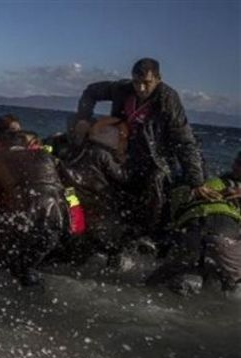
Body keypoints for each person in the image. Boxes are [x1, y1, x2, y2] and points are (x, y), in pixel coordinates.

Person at [74, 58, 210, 238]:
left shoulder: (168, 99)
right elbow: (91, 91)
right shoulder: (122, 88)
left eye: (147, 83)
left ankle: (148, 236)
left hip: (155, 156)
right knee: (92, 156)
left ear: (158, 79)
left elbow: (184, 140)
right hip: (123, 145)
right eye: (137, 82)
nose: (141, 88)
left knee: (156, 181)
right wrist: (83, 117)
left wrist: (196, 181)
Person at [0, 131, 69, 287]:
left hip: (23, 214)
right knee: (27, 267)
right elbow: (70, 189)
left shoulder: (0, 159)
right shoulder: (50, 158)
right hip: (56, 217)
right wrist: (76, 219)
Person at [146, 153, 241, 295]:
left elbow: (165, 225)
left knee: (156, 282)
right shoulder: (233, 190)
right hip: (223, 239)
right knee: (233, 283)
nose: (234, 165)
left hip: (191, 234)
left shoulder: (205, 184)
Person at [58, 117, 131, 264]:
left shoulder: (78, 148)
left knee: (77, 230)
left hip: (72, 196)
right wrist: (124, 162)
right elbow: (123, 178)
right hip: (94, 200)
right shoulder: (103, 155)